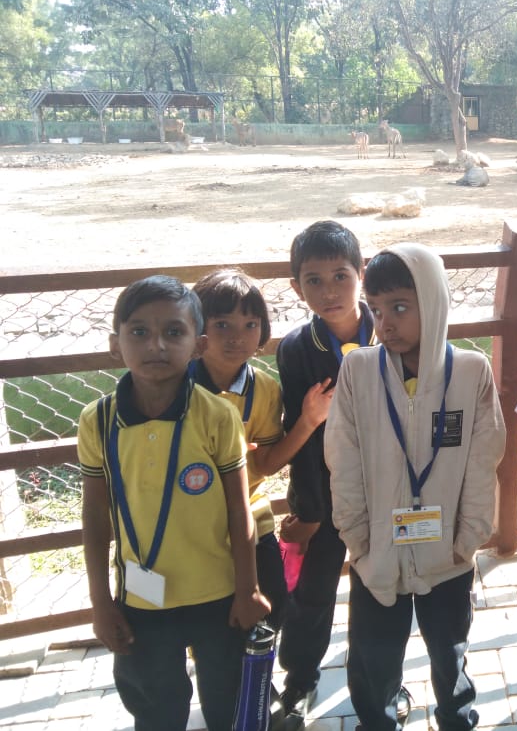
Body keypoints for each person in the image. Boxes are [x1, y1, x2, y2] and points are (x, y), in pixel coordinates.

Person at [326, 244, 506, 731]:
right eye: (376, 309)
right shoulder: (358, 371)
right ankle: (377, 721)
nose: (385, 324)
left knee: (450, 649)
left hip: (447, 553)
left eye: (400, 307)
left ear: (434, 302)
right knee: (373, 654)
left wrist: (468, 537)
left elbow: (483, 458)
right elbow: (342, 457)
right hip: (376, 551)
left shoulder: (470, 372)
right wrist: (358, 538)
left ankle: (455, 716)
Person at [78, 275, 270, 731]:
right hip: (142, 600)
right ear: (115, 343)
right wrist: (101, 603)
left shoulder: (217, 416)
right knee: (156, 709)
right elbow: (95, 517)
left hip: (219, 596)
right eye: (139, 331)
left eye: (173, 332)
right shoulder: (98, 420)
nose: (156, 345)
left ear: (198, 345)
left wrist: (248, 589)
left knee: (229, 705)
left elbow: (239, 510)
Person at [191, 268, 336, 633]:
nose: (237, 337)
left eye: (250, 324)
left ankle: (257, 667)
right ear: (195, 327)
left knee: (273, 606)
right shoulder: (177, 386)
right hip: (188, 521)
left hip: (250, 516)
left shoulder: (264, 389)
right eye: (222, 325)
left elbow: (267, 464)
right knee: (207, 622)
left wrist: (308, 420)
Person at [275, 220, 376, 724]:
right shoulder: (296, 349)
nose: (329, 291)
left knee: (379, 589)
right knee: (312, 593)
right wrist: (311, 511)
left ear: (362, 273)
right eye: (314, 280)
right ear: (297, 288)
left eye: (341, 276)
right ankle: (299, 679)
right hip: (324, 496)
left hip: (385, 494)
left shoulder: (393, 332)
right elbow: (300, 436)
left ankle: (379, 679)